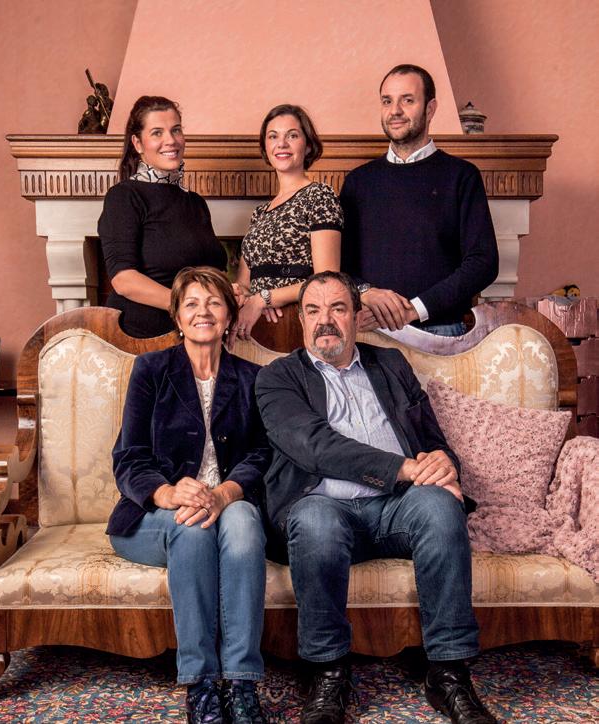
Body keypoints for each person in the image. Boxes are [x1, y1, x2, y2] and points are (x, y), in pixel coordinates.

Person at [255, 271, 498, 724]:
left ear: (356, 316)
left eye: (337, 308)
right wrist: (406, 469)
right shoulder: (277, 378)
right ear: (301, 320)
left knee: (440, 507)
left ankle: (449, 674)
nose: (325, 320)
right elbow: (314, 447)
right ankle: (328, 673)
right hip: (323, 505)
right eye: (313, 310)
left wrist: (443, 465)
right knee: (315, 522)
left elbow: (431, 437)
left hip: (395, 509)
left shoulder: (390, 364)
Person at [107, 267, 269, 723]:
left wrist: (225, 494)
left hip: (229, 504)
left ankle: (241, 683)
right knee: (192, 529)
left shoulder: (253, 378)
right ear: (178, 317)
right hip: (153, 517)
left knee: (244, 521)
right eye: (192, 304)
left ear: (229, 316)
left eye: (214, 303)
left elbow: (262, 454)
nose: (203, 312)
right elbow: (129, 457)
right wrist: (165, 493)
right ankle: (201, 684)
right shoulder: (151, 371)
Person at [340, 64, 499, 337]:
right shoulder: (358, 182)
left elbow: (483, 262)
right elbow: (339, 264)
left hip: (441, 333)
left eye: (407, 100)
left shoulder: (461, 176)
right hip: (371, 334)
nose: (395, 111)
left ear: (431, 108)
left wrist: (414, 309)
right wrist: (366, 293)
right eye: (387, 101)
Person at [98, 96, 227, 338]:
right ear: (137, 143)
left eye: (176, 130)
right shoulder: (124, 197)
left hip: (195, 336)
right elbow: (124, 280)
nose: (171, 140)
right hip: (140, 339)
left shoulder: (195, 202)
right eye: (157, 132)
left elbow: (209, 272)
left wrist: (228, 293)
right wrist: (189, 307)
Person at [233, 104, 342, 340]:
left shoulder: (319, 196)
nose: (281, 144)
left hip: (296, 321)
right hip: (256, 324)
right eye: (273, 136)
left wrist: (265, 298)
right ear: (265, 146)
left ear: (308, 145)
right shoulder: (259, 213)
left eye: (292, 135)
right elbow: (244, 283)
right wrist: (240, 295)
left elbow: (327, 279)